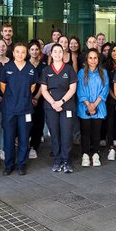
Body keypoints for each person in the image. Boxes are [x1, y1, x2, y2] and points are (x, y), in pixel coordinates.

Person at [0, 43, 38, 175]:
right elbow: (2, 86)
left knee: (24, 137)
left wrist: (23, 96)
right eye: (17, 52)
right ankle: (9, 165)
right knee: (9, 138)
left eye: (22, 52)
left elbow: (33, 87)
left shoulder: (30, 68)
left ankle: (21, 164)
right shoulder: (7, 67)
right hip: (9, 108)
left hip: (25, 109)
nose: (20, 54)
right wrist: (12, 97)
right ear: (13, 53)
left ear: (26, 54)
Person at [40, 43, 78, 173]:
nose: (57, 54)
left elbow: (73, 89)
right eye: (55, 52)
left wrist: (61, 102)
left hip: (66, 106)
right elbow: (44, 90)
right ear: (51, 53)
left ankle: (67, 161)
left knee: (67, 134)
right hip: (51, 107)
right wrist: (53, 103)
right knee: (55, 134)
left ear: (63, 54)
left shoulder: (69, 69)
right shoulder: (46, 70)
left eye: (60, 52)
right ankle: (57, 160)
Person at [77, 49, 109, 167]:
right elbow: (80, 89)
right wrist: (88, 104)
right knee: (85, 132)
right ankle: (85, 154)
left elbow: (105, 90)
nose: (93, 60)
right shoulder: (81, 73)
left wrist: (94, 104)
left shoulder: (104, 73)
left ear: (98, 59)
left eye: (95, 57)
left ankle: (95, 154)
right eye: (90, 57)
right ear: (86, 59)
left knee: (96, 132)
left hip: (99, 107)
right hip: (84, 107)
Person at [27, 40, 48, 160]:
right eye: (32, 49)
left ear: (40, 50)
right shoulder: (24, 64)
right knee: (27, 123)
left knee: (38, 123)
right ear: (28, 51)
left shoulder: (44, 66)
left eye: (36, 49)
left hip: (40, 98)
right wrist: (30, 98)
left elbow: (44, 83)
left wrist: (36, 97)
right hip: (26, 99)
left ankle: (34, 147)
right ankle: (25, 144)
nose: (34, 52)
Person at [104, 43, 116, 161]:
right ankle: (111, 148)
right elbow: (107, 85)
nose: (115, 53)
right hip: (111, 98)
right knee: (110, 122)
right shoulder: (106, 65)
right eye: (113, 51)